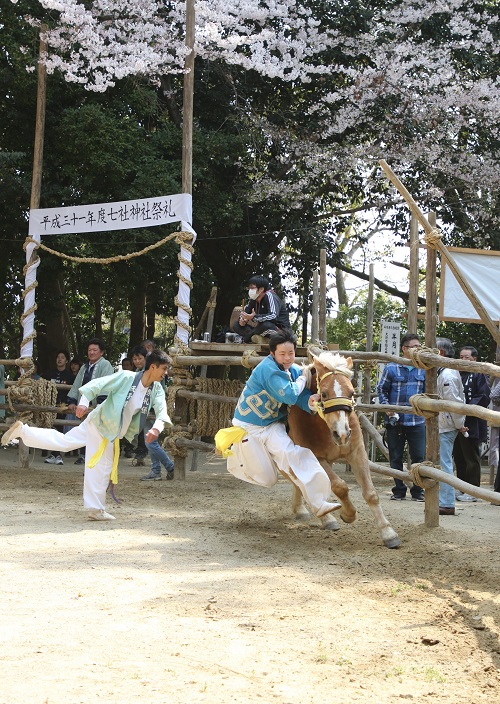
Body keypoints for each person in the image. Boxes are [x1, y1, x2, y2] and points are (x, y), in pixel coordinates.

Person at [1, 350, 172, 520]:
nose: (166, 373)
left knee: (65, 442)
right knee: (101, 468)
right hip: (102, 425)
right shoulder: (127, 377)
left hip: (106, 427)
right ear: (152, 367)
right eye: (164, 369)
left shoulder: (156, 389)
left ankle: (23, 431)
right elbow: (98, 384)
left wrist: (156, 428)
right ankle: (95, 509)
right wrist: (83, 402)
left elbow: (162, 411)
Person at [230, 328, 341, 518]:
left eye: (291, 353)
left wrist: (310, 401)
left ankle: (320, 503)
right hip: (248, 428)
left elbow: (298, 395)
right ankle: (236, 458)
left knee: (295, 454)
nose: (288, 358)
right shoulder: (268, 369)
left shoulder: (294, 369)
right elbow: (289, 394)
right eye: (282, 354)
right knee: (268, 478)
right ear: (272, 353)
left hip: (272, 424)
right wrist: (301, 379)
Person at [377, 333, 426, 501]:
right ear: (404, 349)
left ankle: (418, 491)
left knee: (419, 457)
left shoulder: (424, 368)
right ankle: (399, 490)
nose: (417, 349)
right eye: (414, 347)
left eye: (419, 346)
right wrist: (388, 409)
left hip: (417, 421)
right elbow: (381, 389)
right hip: (396, 420)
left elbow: (428, 392)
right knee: (395, 457)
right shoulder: (392, 368)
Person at [66, 338, 114, 464]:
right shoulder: (84, 367)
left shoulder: (106, 365)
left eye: (95, 350)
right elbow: (77, 385)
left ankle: (97, 457)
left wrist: (99, 404)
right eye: (89, 350)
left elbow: (106, 384)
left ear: (101, 352)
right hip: (84, 403)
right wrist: (72, 400)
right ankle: (84, 455)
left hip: (99, 405)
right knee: (84, 429)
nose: (91, 352)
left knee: (96, 431)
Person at [453, 346, 490, 502]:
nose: (463, 360)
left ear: (474, 359)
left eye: (467, 357)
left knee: (471, 456)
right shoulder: (456, 374)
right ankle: (462, 488)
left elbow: (484, 396)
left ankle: (473, 490)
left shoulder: (479, 374)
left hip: (472, 421)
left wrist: (467, 410)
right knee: (459, 456)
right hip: (455, 420)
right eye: (461, 357)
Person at [435, 338, 467, 516]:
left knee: (444, 464)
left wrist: (459, 424)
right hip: (443, 424)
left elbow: (455, 403)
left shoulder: (447, 375)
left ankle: (447, 502)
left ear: (441, 352)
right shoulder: (442, 371)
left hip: (446, 425)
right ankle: (441, 499)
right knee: (441, 463)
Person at [231, 275, 291, 343]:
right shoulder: (253, 299)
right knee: (236, 326)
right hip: (261, 330)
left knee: (265, 325)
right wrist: (242, 321)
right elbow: (246, 312)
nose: (250, 290)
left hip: (280, 331)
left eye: (252, 288)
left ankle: (246, 339)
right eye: (249, 288)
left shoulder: (270, 296)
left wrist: (254, 318)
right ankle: (258, 338)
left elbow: (273, 316)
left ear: (261, 289)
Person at [42, 350, 74, 465]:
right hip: (49, 405)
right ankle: (53, 454)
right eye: (58, 357)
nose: (59, 359)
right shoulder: (49, 374)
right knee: (51, 428)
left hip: (62, 406)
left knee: (60, 429)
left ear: (66, 361)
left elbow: (72, 391)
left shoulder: (70, 376)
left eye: (62, 357)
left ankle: (58, 454)